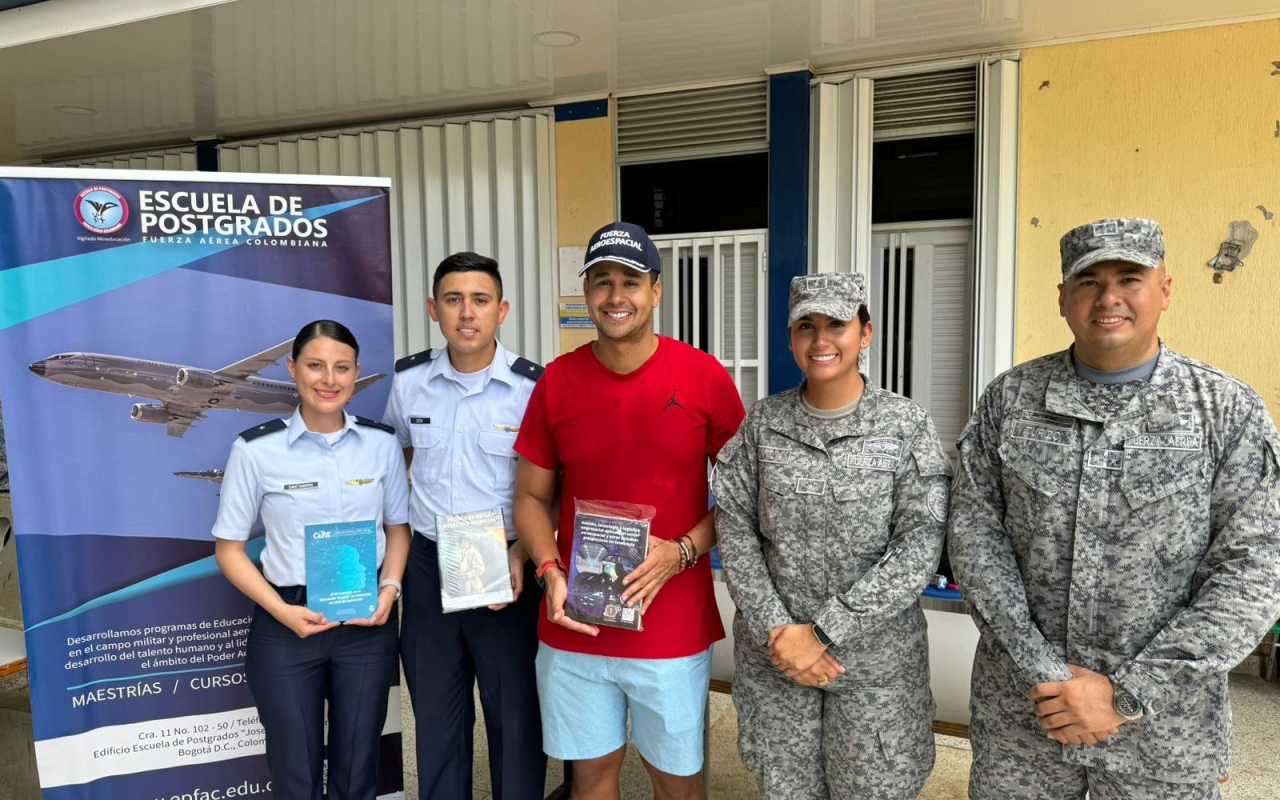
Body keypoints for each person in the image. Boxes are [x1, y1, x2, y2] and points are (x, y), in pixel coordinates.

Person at [948, 218, 1280, 800]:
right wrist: (1047, 675)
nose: (1109, 298)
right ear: (1063, 298)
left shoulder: (1226, 410)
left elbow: (1255, 568)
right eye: (1088, 281)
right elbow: (975, 540)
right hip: (1027, 719)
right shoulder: (1011, 399)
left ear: (1166, 291)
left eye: (1130, 278)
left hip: (1163, 733)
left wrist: (1126, 694)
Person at [512, 222, 746, 800]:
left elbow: (745, 495)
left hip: (669, 622)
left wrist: (682, 551)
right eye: (601, 281)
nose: (616, 296)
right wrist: (549, 571)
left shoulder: (702, 377)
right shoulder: (557, 382)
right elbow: (530, 498)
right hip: (576, 622)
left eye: (630, 282)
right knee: (590, 776)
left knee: (677, 781)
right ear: (586, 292)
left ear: (656, 291)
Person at [712, 273, 950, 800]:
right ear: (791, 338)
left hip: (875, 669)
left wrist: (821, 633)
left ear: (865, 333)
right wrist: (782, 632)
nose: (821, 341)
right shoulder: (763, 424)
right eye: (806, 326)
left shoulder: (905, 425)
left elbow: (918, 547)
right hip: (777, 666)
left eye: (837, 325)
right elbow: (736, 528)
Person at [212, 319, 410, 800]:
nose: (329, 379)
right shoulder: (256, 450)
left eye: (342, 368)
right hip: (286, 625)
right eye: (316, 366)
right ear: (292, 369)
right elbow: (229, 550)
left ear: (356, 371)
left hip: (366, 628)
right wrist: (282, 612)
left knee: (357, 770)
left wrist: (390, 588)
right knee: (295, 776)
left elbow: (398, 530)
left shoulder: (381, 445)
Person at [382, 253, 546, 800]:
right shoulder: (409, 382)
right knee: (437, 717)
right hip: (430, 566)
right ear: (434, 309)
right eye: (453, 300)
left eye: (479, 300)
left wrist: (524, 550)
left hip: (505, 566)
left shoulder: (533, 388)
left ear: (502, 311)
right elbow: (396, 459)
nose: (466, 313)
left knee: (515, 719)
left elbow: (552, 483)